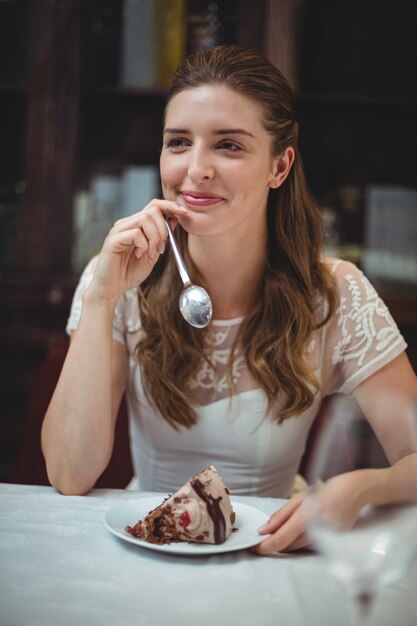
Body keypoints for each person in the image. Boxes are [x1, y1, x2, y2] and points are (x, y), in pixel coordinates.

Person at [41, 45, 417, 555]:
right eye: (178, 142)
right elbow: (69, 474)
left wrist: (360, 487)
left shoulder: (336, 293)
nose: (195, 169)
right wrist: (103, 295)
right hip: (149, 549)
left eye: (229, 146)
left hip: (273, 554)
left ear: (279, 166)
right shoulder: (118, 279)